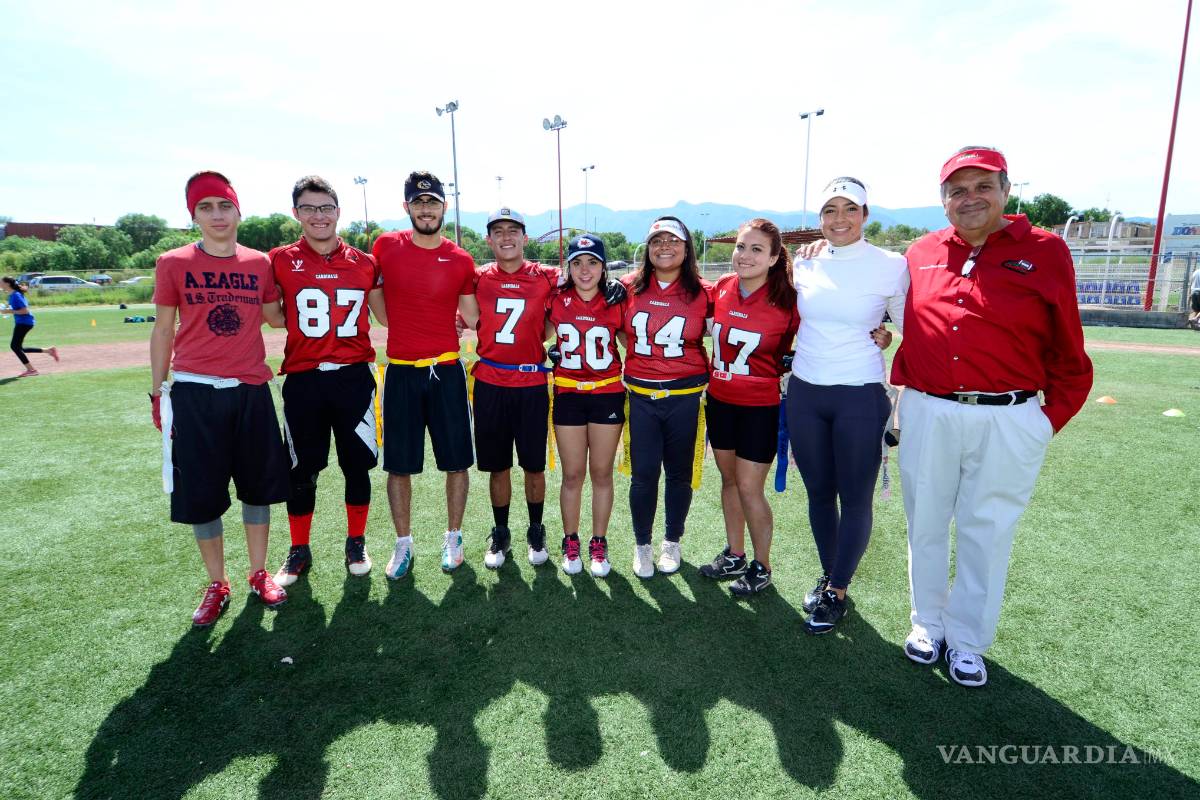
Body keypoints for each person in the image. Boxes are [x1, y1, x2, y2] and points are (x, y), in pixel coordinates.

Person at [893, 146, 1093, 686]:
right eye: (957, 190)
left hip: (1009, 415)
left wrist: (1043, 422)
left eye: (982, 186)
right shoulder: (920, 251)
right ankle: (927, 625)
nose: (970, 199)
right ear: (943, 201)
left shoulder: (1047, 250)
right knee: (926, 523)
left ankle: (968, 642)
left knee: (987, 530)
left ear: (1006, 190)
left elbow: (1069, 346)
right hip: (929, 408)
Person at [149, 170, 291, 627]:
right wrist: (158, 390)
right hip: (195, 391)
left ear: (238, 212)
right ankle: (216, 582)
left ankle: (257, 571)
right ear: (193, 216)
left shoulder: (259, 263)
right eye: (205, 208)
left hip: (250, 389)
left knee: (259, 487)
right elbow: (164, 329)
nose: (216, 215)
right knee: (202, 493)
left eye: (223, 206)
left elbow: (275, 317)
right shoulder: (173, 262)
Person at [788, 178, 908, 634]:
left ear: (866, 214)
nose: (840, 219)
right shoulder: (806, 261)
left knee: (855, 497)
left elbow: (904, 321)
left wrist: (889, 335)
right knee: (819, 493)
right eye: (830, 211)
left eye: (849, 209)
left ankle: (838, 589)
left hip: (859, 393)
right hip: (806, 391)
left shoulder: (891, 265)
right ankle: (828, 576)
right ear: (820, 219)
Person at [267, 175, 387, 587]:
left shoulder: (365, 262)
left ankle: (356, 541)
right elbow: (272, 315)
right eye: (310, 208)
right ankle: (299, 548)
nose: (319, 216)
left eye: (326, 208)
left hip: (354, 378)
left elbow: (386, 314)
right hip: (303, 379)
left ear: (338, 212)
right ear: (296, 213)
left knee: (358, 466)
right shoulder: (279, 259)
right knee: (302, 469)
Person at [372, 171, 479, 577]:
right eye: (418, 203)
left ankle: (453, 536)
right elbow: (378, 305)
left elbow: (471, 315)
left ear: (444, 207)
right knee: (398, 465)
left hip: (447, 369)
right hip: (400, 371)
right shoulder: (386, 247)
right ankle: (403, 545)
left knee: (456, 462)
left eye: (432, 202)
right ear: (406, 207)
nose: (426, 209)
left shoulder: (461, 258)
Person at [699, 219, 799, 597]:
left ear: (774, 257)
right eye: (741, 247)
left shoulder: (790, 300)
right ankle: (736, 553)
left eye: (757, 249)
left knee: (749, 487)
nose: (745, 255)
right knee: (728, 482)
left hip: (760, 407)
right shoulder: (723, 287)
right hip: (720, 401)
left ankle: (762, 565)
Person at [620, 216, 713, 578]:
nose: (664, 247)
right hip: (642, 396)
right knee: (643, 476)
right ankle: (642, 544)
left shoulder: (706, 291)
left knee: (678, 474)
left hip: (685, 396)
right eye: (657, 240)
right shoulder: (627, 287)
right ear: (647, 247)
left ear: (686, 248)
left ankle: (671, 540)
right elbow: (617, 329)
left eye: (672, 241)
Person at [469, 209, 558, 569]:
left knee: (534, 465)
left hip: (532, 382)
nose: (506, 237)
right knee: (498, 465)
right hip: (490, 382)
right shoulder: (476, 278)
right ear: (489, 240)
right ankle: (501, 531)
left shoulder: (547, 277)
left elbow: (577, 294)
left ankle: (536, 529)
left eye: (513, 231)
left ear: (525, 237)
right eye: (498, 231)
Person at [547, 235, 626, 577]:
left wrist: (625, 286)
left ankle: (599, 540)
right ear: (568, 267)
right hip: (568, 393)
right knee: (573, 474)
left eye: (592, 262)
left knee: (602, 473)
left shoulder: (618, 300)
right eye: (577, 262)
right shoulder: (556, 299)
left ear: (603, 267)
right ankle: (570, 539)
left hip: (606, 392)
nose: (584, 270)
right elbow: (535, 333)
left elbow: (633, 341)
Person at [3, 276, 58, 376]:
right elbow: (16, 308)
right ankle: (49, 350)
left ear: (7, 284)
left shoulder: (16, 295)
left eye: (0, 282)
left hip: (24, 323)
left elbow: (25, 310)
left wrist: (9, 311)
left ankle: (32, 370)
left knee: (14, 347)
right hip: (23, 322)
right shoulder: (12, 294)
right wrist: (7, 310)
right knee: (19, 348)